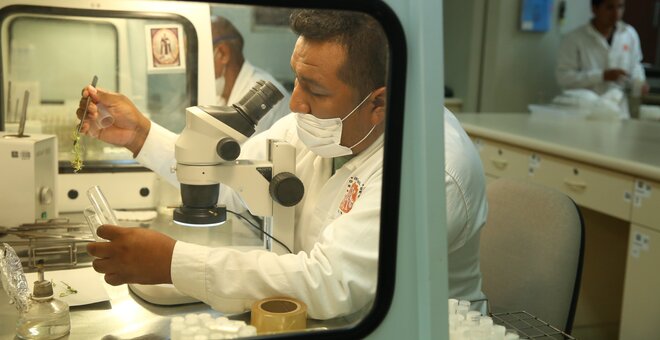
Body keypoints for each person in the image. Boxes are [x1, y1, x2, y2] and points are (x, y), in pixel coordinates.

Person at [77, 9, 487, 319]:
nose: (294, 104)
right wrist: (139, 135)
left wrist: (172, 262)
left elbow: (329, 282)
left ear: (377, 102)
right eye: (296, 80)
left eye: (315, 90)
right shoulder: (314, 124)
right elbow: (229, 181)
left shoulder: (432, 168)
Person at [556, 0, 649, 118]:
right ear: (594, 9)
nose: (616, 14)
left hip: (618, 113)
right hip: (584, 113)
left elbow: (635, 65)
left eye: (620, 7)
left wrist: (639, 82)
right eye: (609, 8)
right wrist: (602, 75)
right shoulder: (574, 39)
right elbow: (564, 78)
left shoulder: (629, 34)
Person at [211, 16, 291, 134]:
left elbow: (236, 150)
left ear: (223, 53)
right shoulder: (222, 95)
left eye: (195, 57)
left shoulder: (261, 98)